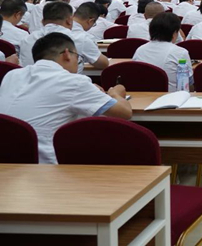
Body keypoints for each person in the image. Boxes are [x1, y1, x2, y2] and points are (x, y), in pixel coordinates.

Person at [0, 33, 132, 163]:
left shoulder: (12, 75)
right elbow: (124, 113)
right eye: (78, 57)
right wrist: (115, 93)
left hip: (7, 162)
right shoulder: (74, 82)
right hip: (44, 165)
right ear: (67, 54)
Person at [19, 2, 108, 72]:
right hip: (69, 89)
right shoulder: (80, 39)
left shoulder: (26, 39)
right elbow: (104, 63)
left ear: (42, 21)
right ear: (70, 20)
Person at [129, 12, 191, 91]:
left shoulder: (140, 50)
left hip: (144, 97)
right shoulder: (180, 52)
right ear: (175, 33)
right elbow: (189, 81)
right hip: (172, 98)